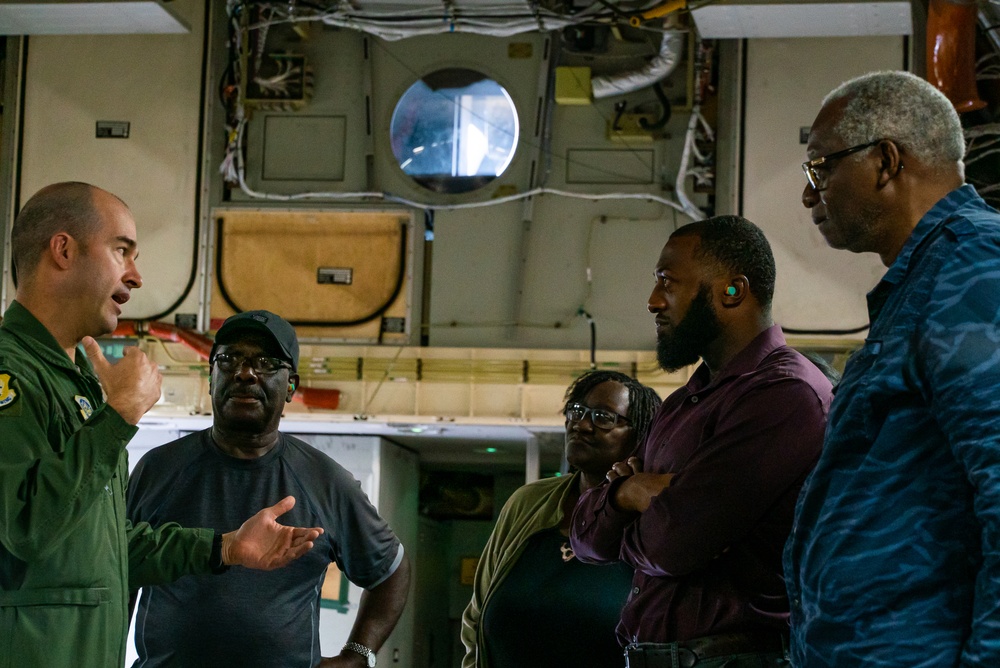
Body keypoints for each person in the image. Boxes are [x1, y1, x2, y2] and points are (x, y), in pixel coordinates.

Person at [0, 182, 323, 668]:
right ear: (63, 250)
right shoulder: (11, 376)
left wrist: (226, 547)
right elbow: (24, 526)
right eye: (121, 250)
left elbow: (103, 544)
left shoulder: (76, 379)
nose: (136, 276)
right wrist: (119, 417)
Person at [786, 71, 1000, 667]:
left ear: (884, 161)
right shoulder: (928, 280)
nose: (809, 195)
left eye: (820, 169)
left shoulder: (973, 270)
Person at [570, 215, 833, 668]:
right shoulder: (683, 404)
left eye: (667, 283)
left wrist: (636, 526)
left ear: (733, 291)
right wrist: (629, 493)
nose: (654, 302)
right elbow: (586, 541)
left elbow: (673, 545)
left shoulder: (784, 395)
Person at [127, 309, 411, 668]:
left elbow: (392, 572)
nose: (245, 373)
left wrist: (359, 655)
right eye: (229, 360)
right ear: (211, 378)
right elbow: (116, 569)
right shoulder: (158, 469)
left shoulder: (326, 482)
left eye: (265, 362)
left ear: (290, 386)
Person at [460, 370, 662, 668]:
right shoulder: (528, 503)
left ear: (640, 435)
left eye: (603, 417)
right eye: (577, 411)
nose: (581, 425)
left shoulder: (651, 518)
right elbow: (476, 616)